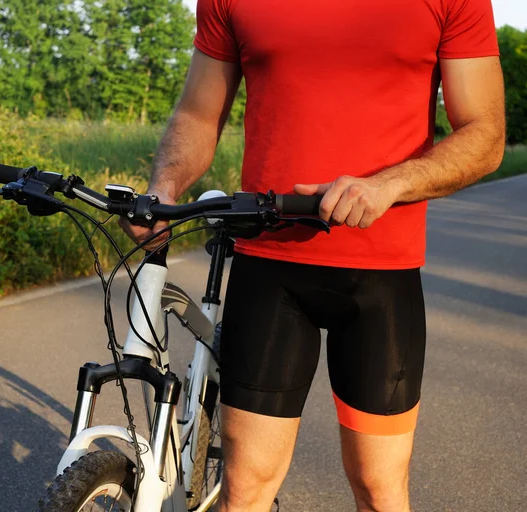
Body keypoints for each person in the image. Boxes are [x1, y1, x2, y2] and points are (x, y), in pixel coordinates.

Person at [120, 0, 505, 510]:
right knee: (247, 489)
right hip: (269, 266)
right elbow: (197, 113)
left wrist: (390, 184)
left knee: (379, 488)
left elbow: (485, 133)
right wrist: (163, 189)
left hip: (381, 277)